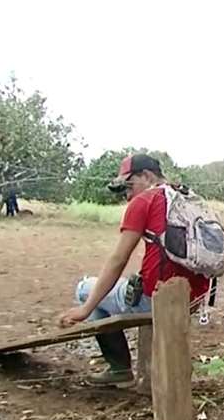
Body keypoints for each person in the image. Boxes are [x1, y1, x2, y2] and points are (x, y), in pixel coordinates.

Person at [56, 154, 211, 386]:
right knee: (117, 286)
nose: (127, 195)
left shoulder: (145, 200)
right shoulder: (187, 196)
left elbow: (118, 259)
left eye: (128, 186)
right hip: (195, 297)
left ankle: (119, 368)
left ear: (146, 176)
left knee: (85, 289)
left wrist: (85, 309)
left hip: (157, 299)